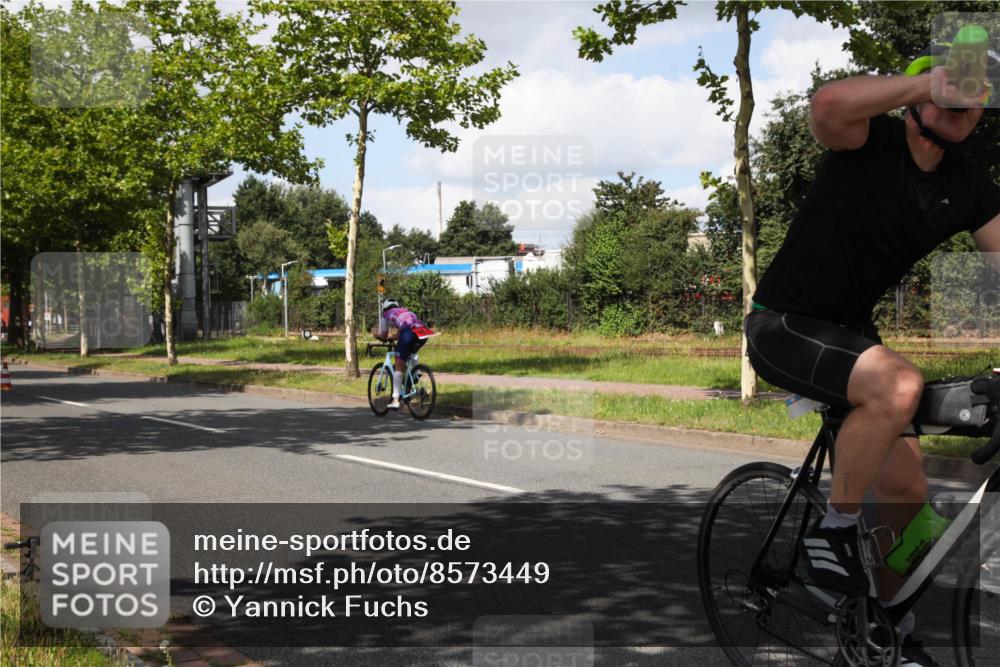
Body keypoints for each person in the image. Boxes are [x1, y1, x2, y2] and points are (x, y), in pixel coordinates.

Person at [745, 42, 1000, 665]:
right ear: (918, 96)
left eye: (977, 93)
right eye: (950, 87)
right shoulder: (869, 142)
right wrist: (929, 82)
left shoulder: (968, 186)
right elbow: (829, 104)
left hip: (850, 336)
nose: (964, 99)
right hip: (784, 323)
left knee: (910, 493)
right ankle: (829, 535)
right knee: (900, 385)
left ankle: (884, 628)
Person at [373, 299, 433, 409]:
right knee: (411, 353)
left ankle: (395, 400)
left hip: (408, 333)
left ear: (384, 309)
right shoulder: (405, 311)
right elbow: (402, 330)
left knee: (399, 365)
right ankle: (414, 376)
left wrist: (376, 336)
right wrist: (394, 337)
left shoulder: (386, 315)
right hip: (422, 331)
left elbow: (384, 335)